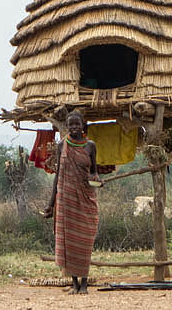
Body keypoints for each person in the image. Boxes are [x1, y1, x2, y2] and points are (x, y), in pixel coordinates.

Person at [43, 110, 101, 294]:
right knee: (69, 241)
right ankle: (75, 283)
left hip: (86, 198)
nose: (74, 128)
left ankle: (84, 283)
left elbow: (94, 172)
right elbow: (58, 175)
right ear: (67, 127)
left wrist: (97, 180)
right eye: (71, 125)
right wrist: (51, 204)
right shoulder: (62, 146)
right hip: (66, 200)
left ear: (83, 125)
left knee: (84, 240)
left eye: (77, 124)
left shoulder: (91, 146)